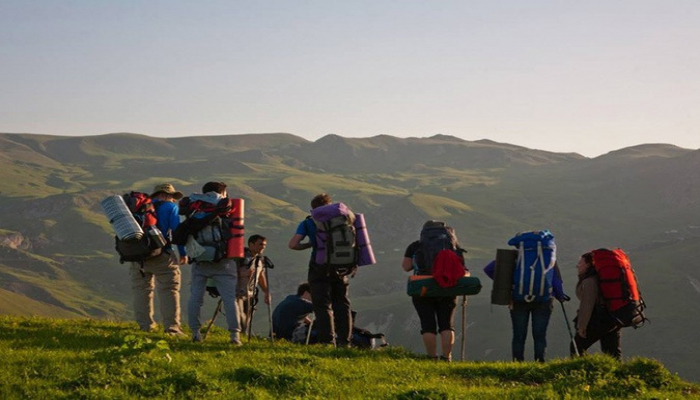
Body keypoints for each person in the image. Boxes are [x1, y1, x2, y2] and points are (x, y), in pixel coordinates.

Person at [287, 193, 354, 347]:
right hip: (341, 266)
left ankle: (327, 342)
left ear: (313, 209)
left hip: (319, 266)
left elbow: (293, 244)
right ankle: (345, 342)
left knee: (322, 305)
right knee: (342, 303)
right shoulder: (344, 219)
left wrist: (310, 244)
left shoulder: (309, 222)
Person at [401, 221, 468, 362]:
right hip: (447, 288)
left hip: (423, 287)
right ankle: (446, 357)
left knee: (427, 325)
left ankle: (431, 357)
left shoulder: (416, 246)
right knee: (446, 325)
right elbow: (462, 271)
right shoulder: (453, 246)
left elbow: (406, 267)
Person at [186, 181, 242, 344]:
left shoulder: (194, 207)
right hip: (223, 262)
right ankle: (235, 336)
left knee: (195, 297)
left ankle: (195, 333)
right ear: (222, 193)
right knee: (229, 299)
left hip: (200, 260)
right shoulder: (225, 206)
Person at [483, 259, 568, 362]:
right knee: (540, 335)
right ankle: (539, 363)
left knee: (519, 334)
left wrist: (508, 285)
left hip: (518, 299)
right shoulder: (549, 256)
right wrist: (560, 296)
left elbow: (489, 269)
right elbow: (556, 280)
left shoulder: (516, 255)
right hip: (544, 300)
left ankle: (517, 363)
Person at [130, 183, 188, 335]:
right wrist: (183, 253)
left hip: (138, 255)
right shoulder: (170, 208)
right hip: (162, 255)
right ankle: (172, 328)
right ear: (165, 195)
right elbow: (177, 232)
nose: (173, 200)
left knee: (141, 290)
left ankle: (145, 326)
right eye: (172, 196)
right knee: (169, 290)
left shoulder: (140, 208)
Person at [571, 252, 622, 360]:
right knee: (612, 352)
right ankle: (619, 374)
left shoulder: (589, 281)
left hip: (597, 320)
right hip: (613, 318)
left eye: (580, 263)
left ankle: (579, 372)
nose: (577, 265)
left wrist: (582, 327)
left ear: (588, 265)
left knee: (576, 347)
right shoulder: (600, 279)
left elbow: (587, 305)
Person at [236, 234, 272, 334]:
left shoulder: (259, 260)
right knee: (240, 316)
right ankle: (237, 335)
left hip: (251, 293)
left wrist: (266, 292)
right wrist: (244, 273)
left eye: (264, 245)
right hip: (237, 292)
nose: (263, 247)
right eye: (260, 244)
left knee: (247, 317)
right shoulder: (240, 257)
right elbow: (229, 272)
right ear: (251, 244)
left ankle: (242, 335)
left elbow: (260, 276)